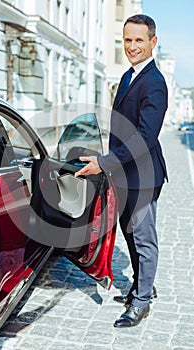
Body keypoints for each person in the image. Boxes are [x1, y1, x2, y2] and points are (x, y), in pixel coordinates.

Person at [75, 14, 168, 328]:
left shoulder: (154, 82)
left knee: (143, 239)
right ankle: (144, 284)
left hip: (144, 177)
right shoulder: (129, 76)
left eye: (139, 40)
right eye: (127, 40)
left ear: (153, 42)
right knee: (129, 233)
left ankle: (141, 302)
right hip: (125, 173)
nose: (132, 46)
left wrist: (104, 162)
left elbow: (144, 137)